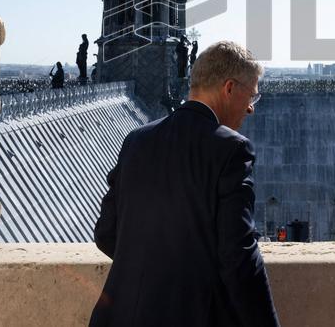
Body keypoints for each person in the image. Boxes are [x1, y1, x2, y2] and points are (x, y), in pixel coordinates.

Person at [90, 41, 279, 326]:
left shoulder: (136, 140)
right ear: (229, 88)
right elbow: (238, 257)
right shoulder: (231, 150)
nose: (251, 108)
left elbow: (106, 233)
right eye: (252, 96)